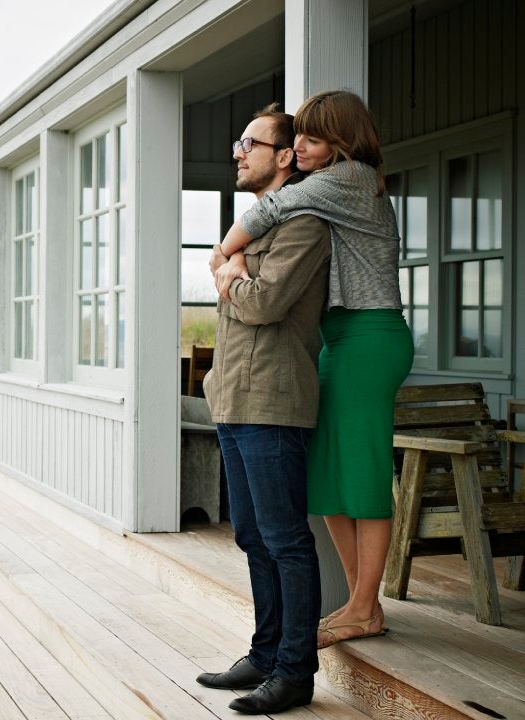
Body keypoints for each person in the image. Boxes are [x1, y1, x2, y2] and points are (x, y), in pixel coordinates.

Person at [210, 90, 414, 650]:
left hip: (370, 337)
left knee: (365, 474)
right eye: (296, 136)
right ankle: (357, 602)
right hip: (339, 337)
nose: (299, 146)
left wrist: (224, 255)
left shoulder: (352, 175)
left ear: (342, 144)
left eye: (312, 138)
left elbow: (270, 210)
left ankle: (366, 606)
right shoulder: (323, 191)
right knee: (326, 478)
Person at [196, 103, 329, 715]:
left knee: (285, 540)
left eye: (250, 143)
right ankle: (265, 653)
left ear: (284, 157)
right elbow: (236, 295)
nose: (237, 152)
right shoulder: (249, 230)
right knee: (251, 535)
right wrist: (234, 269)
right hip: (234, 400)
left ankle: (295, 673)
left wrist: (232, 272)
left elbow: (264, 306)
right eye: (237, 142)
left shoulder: (302, 226)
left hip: (275, 403)